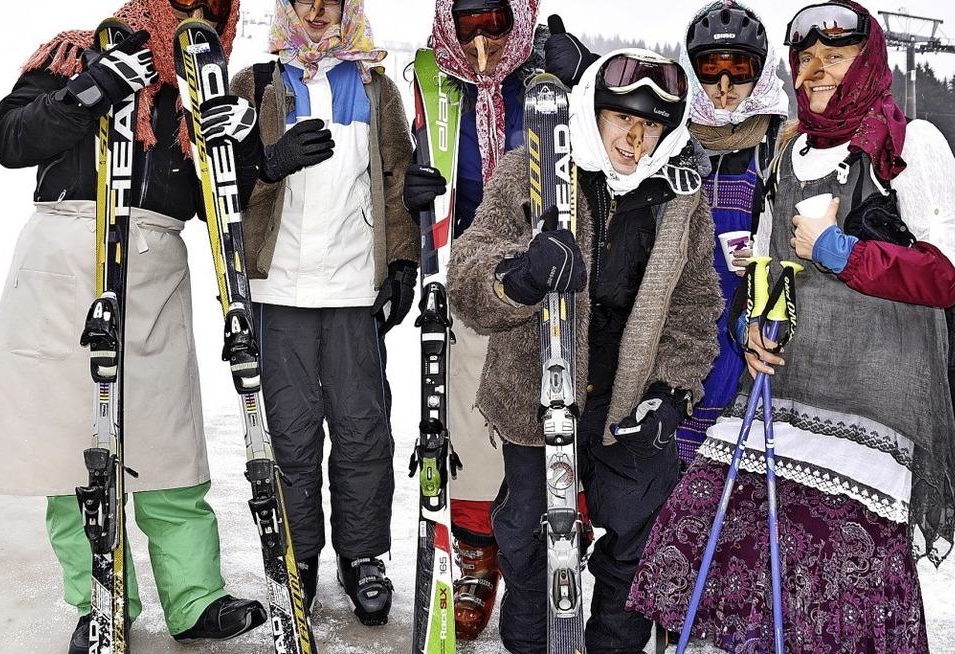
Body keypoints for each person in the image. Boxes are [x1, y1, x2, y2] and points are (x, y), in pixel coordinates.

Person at [628, 2, 955, 652]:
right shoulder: (790, 152)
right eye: (806, 58)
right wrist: (756, 327)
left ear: (866, 62)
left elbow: (948, 273)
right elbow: (768, 262)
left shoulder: (908, 143)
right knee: (699, 533)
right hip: (783, 398)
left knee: (832, 587)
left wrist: (838, 249)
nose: (818, 72)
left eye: (835, 57)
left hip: (871, 414)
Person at [0, 0, 268, 651]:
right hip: (67, 254)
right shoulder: (73, 51)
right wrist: (89, 90)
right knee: (70, 443)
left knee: (167, 436)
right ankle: (99, 596)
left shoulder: (200, 85)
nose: (198, 9)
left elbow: (215, 204)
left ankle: (196, 597)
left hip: (155, 260)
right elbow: (9, 140)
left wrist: (245, 150)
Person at [447, 48, 723, 653]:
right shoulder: (532, 170)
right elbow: (466, 271)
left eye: (651, 124)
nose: (635, 137)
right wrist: (518, 275)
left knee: (634, 550)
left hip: (629, 406)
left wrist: (671, 392)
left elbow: (696, 302)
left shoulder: (681, 196)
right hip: (536, 399)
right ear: (591, 109)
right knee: (527, 548)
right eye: (622, 118)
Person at [226, 0, 417, 627]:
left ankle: (362, 556)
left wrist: (401, 264)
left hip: (350, 290)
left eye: (328, 0)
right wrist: (268, 164)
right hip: (276, 291)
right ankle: (298, 555)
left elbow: (396, 181)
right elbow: (221, 187)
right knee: (290, 433)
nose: (315, 10)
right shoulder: (254, 84)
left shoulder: (374, 85)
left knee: (363, 430)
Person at [401, 0, 547, 640]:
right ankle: (475, 550)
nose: (483, 37)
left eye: (497, 21)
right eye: (469, 23)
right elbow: (418, 158)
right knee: (466, 417)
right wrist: (419, 200)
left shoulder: (546, 77)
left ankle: (540, 554)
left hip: (543, 271)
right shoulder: (437, 83)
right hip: (465, 269)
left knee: (540, 415)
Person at [672, 0, 789, 463]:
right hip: (681, 323)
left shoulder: (779, 140)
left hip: (750, 326)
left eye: (739, 70)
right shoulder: (673, 139)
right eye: (709, 70)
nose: (724, 88)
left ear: (760, 73)